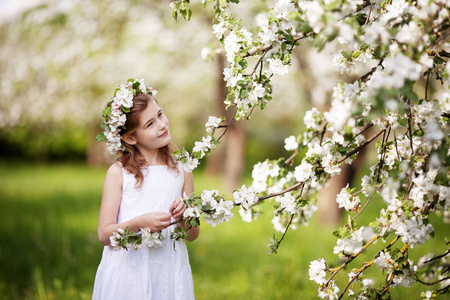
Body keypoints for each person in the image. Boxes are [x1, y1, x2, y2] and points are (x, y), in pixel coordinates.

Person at [92, 79, 199, 300]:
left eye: (160, 114)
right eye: (150, 124)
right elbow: (104, 233)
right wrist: (139, 223)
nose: (162, 124)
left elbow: (192, 234)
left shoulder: (182, 169)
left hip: (169, 269)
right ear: (131, 137)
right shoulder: (119, 173)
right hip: (129, 272)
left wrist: (183, 216)